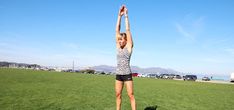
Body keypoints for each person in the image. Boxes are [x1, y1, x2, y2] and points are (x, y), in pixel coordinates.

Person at [115, 5, 136, 110]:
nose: (120, 40)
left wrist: (126, 15)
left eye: (122, 39)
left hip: (127, 74)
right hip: (118, 74)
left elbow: (127, 30)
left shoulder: (128, 47)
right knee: (118, 95)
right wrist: (119, 15)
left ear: (126, 40)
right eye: (119, 39)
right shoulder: (118, 47)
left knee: (131, 95)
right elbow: (116, 30)